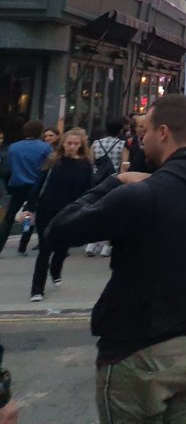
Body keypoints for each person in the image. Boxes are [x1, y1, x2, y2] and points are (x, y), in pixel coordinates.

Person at [44, 95, 186, 422]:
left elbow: (58, 229)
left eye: (145, 131)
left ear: (163, 132)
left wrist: (114, 181)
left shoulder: (141, 194)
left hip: (139, 348)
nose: (141, 139)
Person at [28, 128, 93, 300]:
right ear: (63, 143)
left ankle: (55, 269)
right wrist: (29, 207)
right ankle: (37, 290)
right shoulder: (53, 160)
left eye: (76, 144)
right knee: (45, 249)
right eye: (69, 143)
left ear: (81, 145)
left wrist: (86, 210)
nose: (72, 146)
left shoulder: (85, 164)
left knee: (62, 248)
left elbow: (88, 190)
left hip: (69, 211)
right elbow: (39, 184)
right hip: (46, 208)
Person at [0, 121, 52, 255]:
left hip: (18, 184)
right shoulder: (46, 147)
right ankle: (23, 245)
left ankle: (0, 244)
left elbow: (8, 166)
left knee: (9, 217)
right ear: (40, 132)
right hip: (36, 185)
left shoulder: (13, 147)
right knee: (30, 215)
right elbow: (49, 166)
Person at [87, 120, 127, 258]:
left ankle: (91, 243)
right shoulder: (122, 145)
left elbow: (90, 163)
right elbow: (125, 165)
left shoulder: (96, 143)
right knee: (112, 212)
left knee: (95, 210)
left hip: (97, 181)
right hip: (114, 180)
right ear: (120, 131)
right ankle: (106, 245)